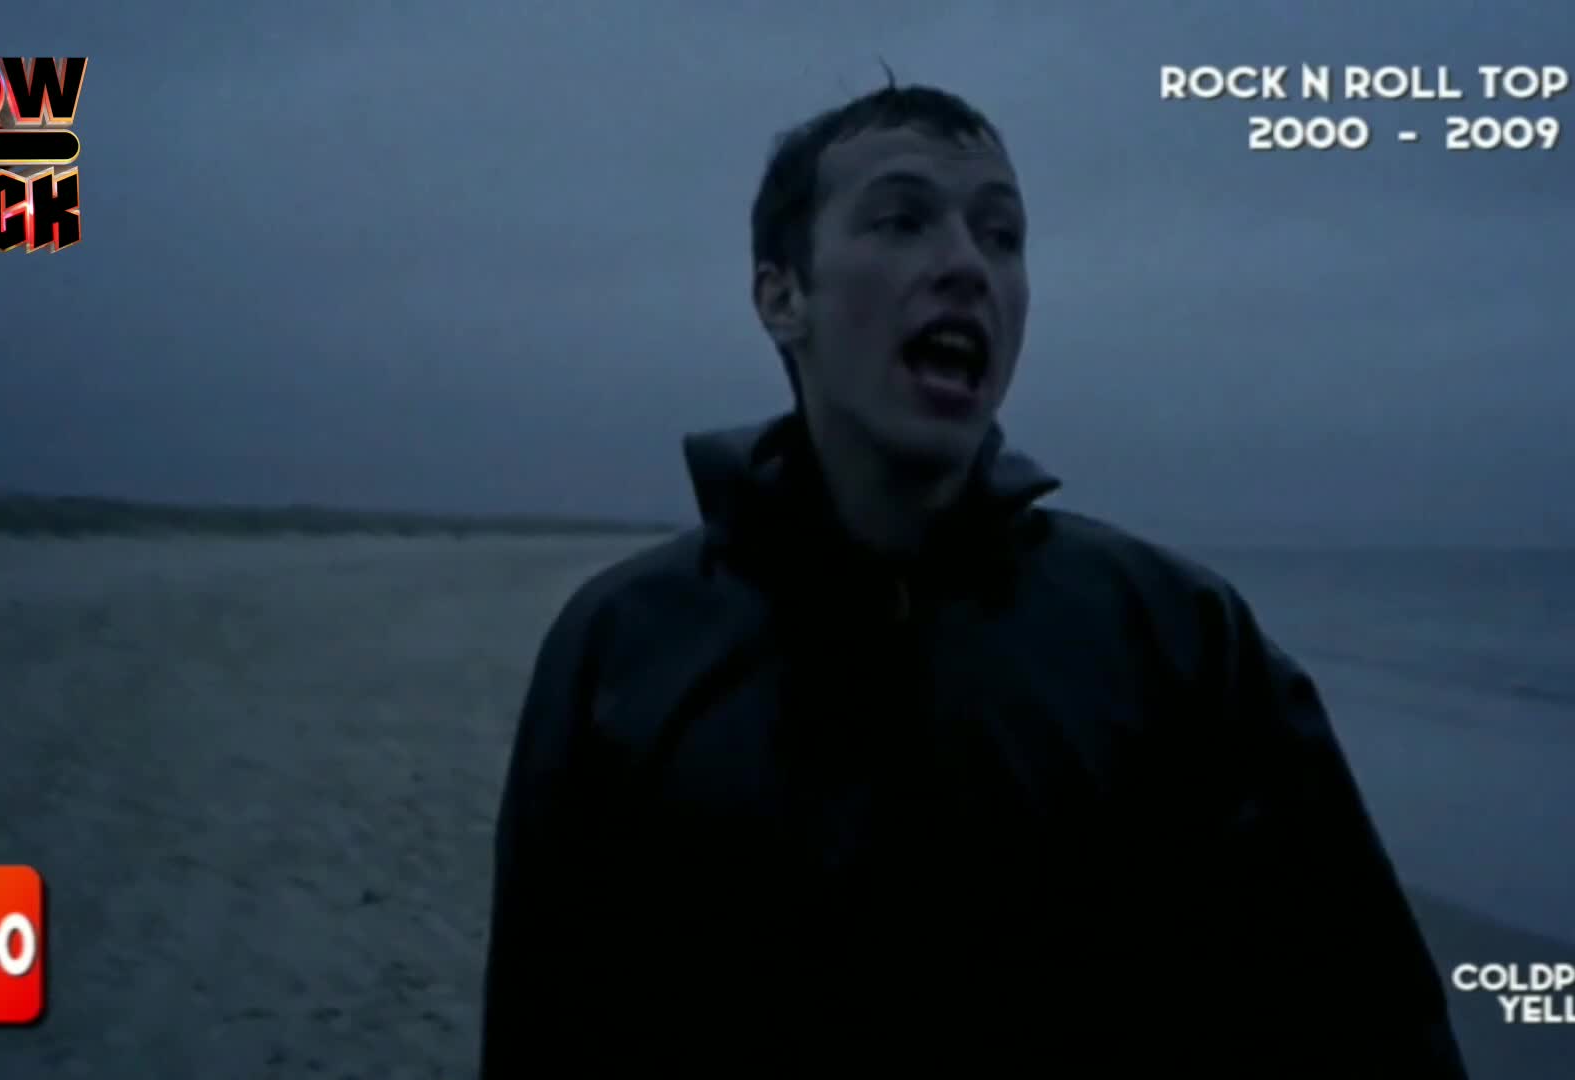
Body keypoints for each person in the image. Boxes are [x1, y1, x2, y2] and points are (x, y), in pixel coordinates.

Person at [480, 79, 1470, 1077]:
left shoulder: (1174, 637)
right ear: (783, 296)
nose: (967, 267)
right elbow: (546, 1030)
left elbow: (1369, 1023)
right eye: (904, 220)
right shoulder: (622, 649)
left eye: (1002, 237)